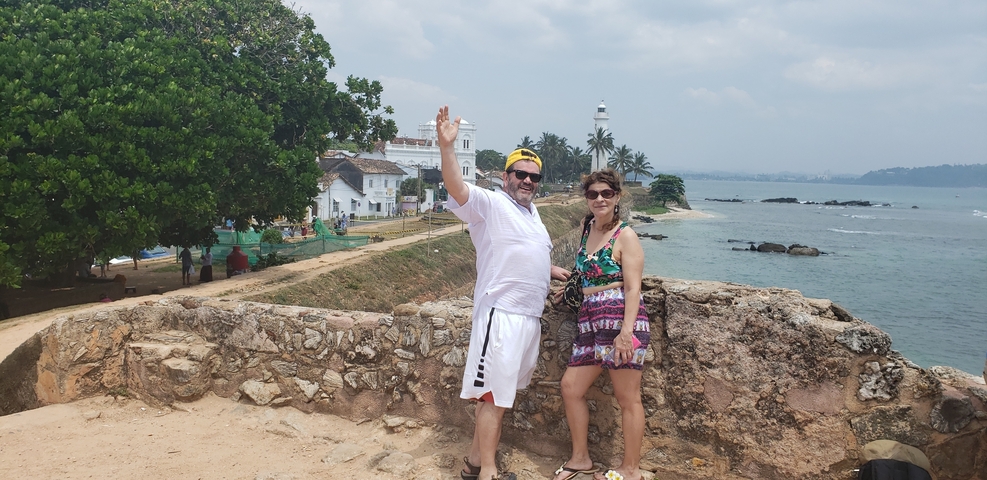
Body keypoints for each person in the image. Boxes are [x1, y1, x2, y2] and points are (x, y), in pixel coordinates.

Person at [436, 105, 569, 480]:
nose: (527, 181)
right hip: (501, 314)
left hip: (528, 317)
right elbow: (456, 187)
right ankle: (490, 473)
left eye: (534, 177)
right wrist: (447, 148)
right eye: (520, 174)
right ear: (506, 176)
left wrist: (548, 269)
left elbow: (523, 250)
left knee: (497, 395)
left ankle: (474, 464)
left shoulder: (533, 214)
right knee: (493, 396)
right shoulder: (491, 203)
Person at [551, 169, 648, 480]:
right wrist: (570, 289)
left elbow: (633, 288)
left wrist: (626, 333)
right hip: (589, 321)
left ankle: (630, 469)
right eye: (593, 194)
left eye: (606, 193)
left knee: (627, 397)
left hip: (620, 320)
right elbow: (585, 272)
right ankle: (580, 459)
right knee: (570, 387)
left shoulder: (626, 235)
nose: (600, 199)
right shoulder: (586, 227)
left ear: (617, 196)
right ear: (586, 198)